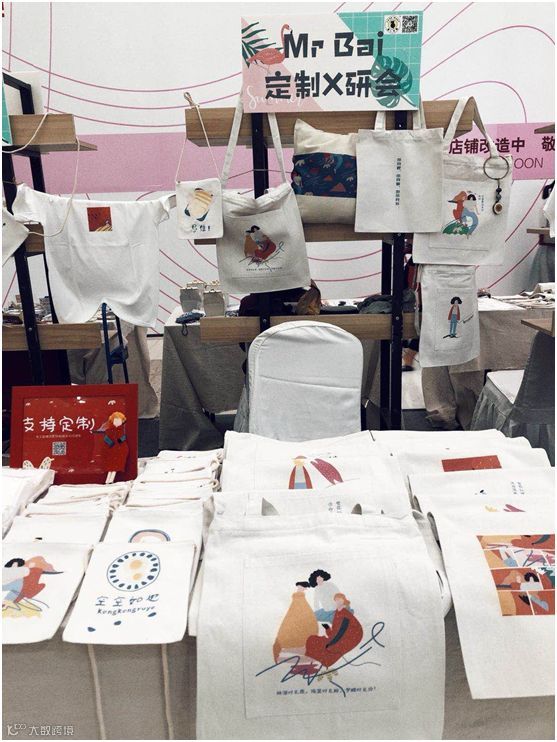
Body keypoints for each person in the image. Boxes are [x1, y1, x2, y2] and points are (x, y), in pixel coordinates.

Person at [305, 593, 363, 668]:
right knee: (312, 639)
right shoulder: (337, 613)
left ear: (344, 601)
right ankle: (314, 659)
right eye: (336, 600)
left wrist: (330, 644)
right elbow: (335, 633)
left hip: (346, 641)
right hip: (338, 639)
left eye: (339, 599)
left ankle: (320, 661)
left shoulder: (346, 615)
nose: (337, 601)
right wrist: (327, 628)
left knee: (317, 643)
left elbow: (340, 633)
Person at [272, 581, 318, 662]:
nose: (300, 588)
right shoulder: (298, 600)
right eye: (299, 587)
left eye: (302, 587)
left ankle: (302, 647)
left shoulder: (301, 600)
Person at [96, 411, 129, 484]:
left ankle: (110, 480)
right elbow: (106, 438)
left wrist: (120, 441)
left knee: (115, 467)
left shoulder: (121, 430)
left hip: (118, 451)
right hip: (111, 451)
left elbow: (123, 438)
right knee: (111, 466)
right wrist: (111, 443)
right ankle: (108, 480)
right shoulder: (109, 430)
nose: (117, 422)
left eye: (119, 421)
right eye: (116, 420)